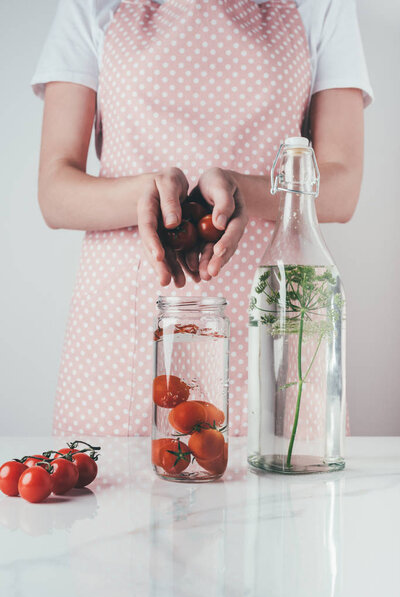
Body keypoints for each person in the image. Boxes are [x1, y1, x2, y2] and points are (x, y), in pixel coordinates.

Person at [32, 0, 373, 437]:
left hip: (271, 317)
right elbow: (55, 191)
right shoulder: (91, 5)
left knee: (283, 490)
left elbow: (341, 189)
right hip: (126, 326)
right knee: (113, 496)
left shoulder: (321, 6)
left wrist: (239, 188)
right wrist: (149, 193)